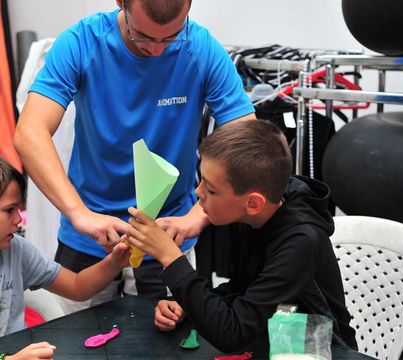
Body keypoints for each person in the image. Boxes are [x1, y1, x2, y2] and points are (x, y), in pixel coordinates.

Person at [13, 0, 255, 311]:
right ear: (120, 2)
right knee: (79, 347)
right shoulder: (82, 42)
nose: (157, 50)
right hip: (89, 235)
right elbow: (29, 132)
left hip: (167, 236)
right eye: (143, 36)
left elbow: (247, 143)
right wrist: (79, 214)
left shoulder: (201, 48)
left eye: (170, 37)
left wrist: (197, 216)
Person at [125, 119, 357, 353]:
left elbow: (232, 332)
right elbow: (243, 293)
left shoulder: (300, 243)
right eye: (201, 181)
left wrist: (171, 258)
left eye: (211, 189)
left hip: (320, 350)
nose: (198, 193)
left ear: (253, 203)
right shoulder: (255, 217)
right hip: (274, 340)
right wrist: (187, 305)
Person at [0, 157, 131, 359]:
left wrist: (115, 262)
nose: (18, 219)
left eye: (19, 209)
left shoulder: (16, 250)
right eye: (10, 210)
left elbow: (77, 286)